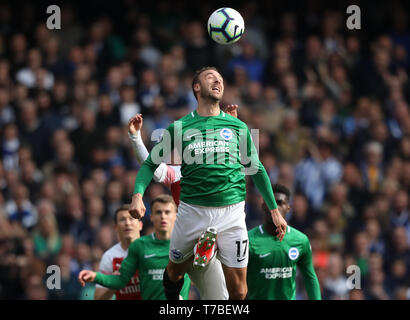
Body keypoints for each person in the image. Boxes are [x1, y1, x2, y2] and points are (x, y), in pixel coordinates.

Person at [129, 66, 287, 300]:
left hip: (232, 213)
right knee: (173, 274)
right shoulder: (179, 127)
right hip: (192, 212)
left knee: (240, 292)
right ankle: (175, 299)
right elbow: (150, 165)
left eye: (221, 79)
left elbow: (257, 168)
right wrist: (137, 196)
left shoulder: (238, 126)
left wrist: (274, 209)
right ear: (197, 87)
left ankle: (207, 253)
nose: (218, 81)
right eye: (210, 77)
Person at [128, 113, 229, 299]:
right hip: (185, 239)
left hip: (210, 242)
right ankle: (202, 248)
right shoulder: (175, 173)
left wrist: (230, 126)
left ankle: (206, 247)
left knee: (220, 300)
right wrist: (135, 137)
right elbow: (150, 165)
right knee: (173, 283)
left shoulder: (216, 169)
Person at [78, 195, 191, 300]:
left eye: (167, 212)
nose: (163, 216)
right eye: (158, 212)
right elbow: (121, 279)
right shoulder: (139, 246)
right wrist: (95, 276)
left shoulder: (188, 243)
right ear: (151, 217)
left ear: (176, 215)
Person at [247, 183, 321, 300]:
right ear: (263, 206)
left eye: (280, 203)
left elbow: (309, 277)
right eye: (271, 202)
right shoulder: (248, 240)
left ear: (288, 207)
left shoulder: (301, 240)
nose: (275, 208)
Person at [94, 204, 143, 300]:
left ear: (140, 225)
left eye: (131, 218)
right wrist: (113, 285)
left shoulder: (152, 250)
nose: (127, 223)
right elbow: (98, 298)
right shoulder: (109, 257)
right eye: (122, 219)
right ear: (115, 227)